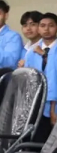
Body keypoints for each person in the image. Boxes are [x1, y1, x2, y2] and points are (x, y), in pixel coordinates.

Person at [23, 12, 57, 142]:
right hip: (35, 103)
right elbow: (28, 79)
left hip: (54, 104)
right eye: (42, 25)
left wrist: (53, 108)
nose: (46, 29)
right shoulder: (32, 50)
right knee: (35, 139)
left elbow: (53, 79)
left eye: (51, 25)